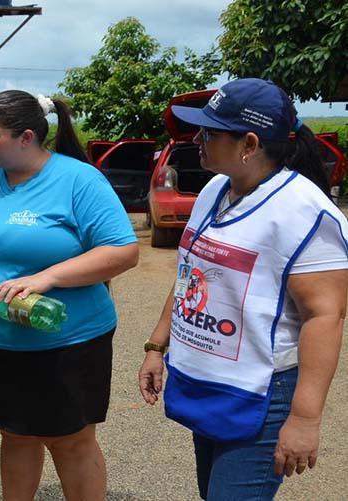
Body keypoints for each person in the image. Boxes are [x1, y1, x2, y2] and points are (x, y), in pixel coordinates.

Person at [138, 78, 348, 500]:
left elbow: (325, 315)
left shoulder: (305, 214)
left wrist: (305, 419)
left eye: (209, 132)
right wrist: (156, 345)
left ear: (249, 144)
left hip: (262, 397)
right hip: (210, 387)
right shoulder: (215, 189)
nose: (198, 139)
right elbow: (189, 273)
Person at [0, 90, 139, 501]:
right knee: (15, 435)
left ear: (26, 137)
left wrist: (49, 277)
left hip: (67, 340)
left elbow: (123, 251)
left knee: (70, 441)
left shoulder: (78, 180)